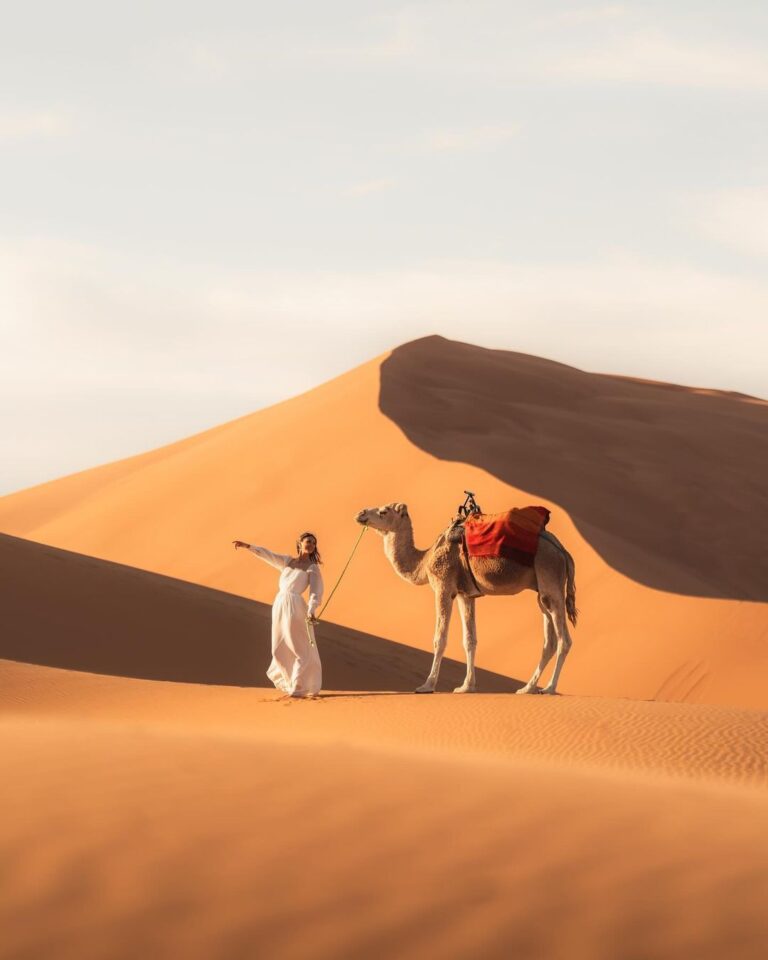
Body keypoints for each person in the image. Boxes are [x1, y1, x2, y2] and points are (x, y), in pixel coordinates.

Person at [233, 532, 324, 697]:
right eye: (307, 541)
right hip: (279, 605)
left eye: (313, 543)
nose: (310, 544)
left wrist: (311, 609)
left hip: (295, 607)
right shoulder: (288, 561)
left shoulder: (312, 568)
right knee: (278, 648)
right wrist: (248, 547)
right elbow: (268, 555)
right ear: (300, 543)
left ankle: (299, 687)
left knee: (299, 647)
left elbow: (316, 591)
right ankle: (292, 684)